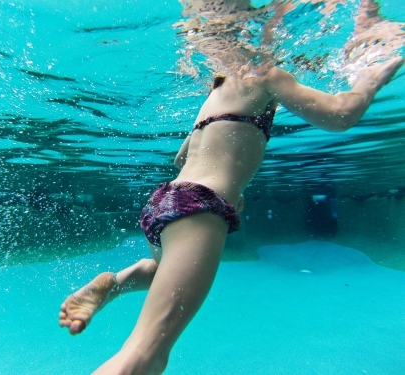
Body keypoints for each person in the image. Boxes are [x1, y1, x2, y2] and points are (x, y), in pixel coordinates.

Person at [58, 0, 404, 373]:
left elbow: (181, 159)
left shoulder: (215, 96)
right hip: (199, 208)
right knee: (146, 353)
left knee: (166, 271)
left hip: (166, 200)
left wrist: (227, 181)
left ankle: (113, 284)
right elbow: (340, 115)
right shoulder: (265, 74)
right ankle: (116, 294)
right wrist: (371, 76)